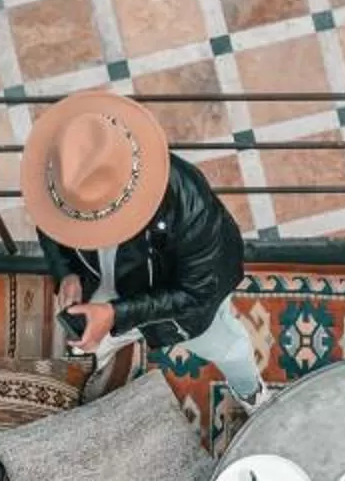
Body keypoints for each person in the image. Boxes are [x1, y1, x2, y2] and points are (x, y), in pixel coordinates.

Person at [17, 90, 252, 390]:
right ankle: (100, 365)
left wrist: (116, 313)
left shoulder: (191, 207)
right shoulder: (62, 179)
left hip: (175, 301)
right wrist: (67, 272)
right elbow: (50, 226)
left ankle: (251, 392)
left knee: (228, 349)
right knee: (89, 345)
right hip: (105, 287)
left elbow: (196, 292)